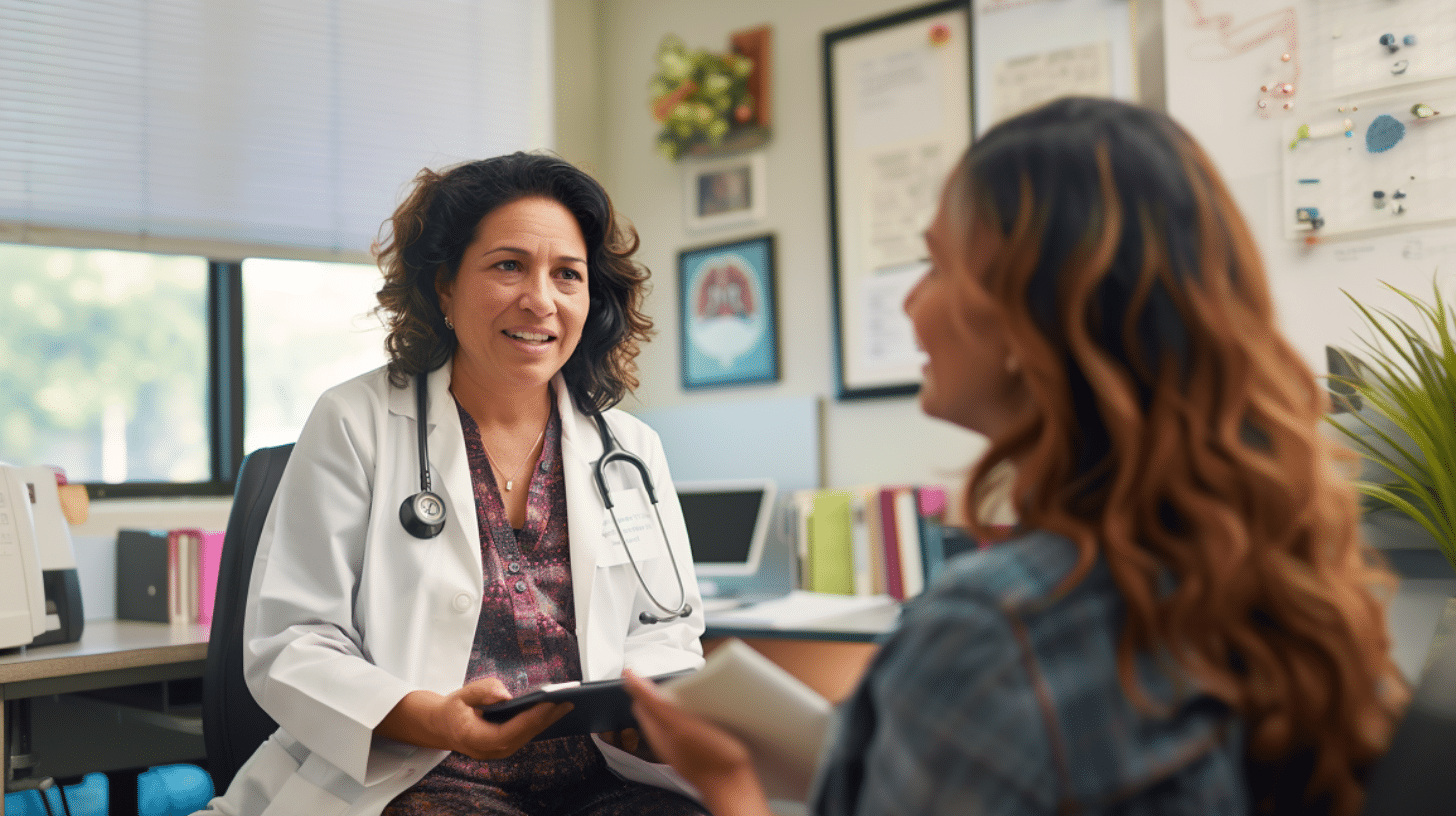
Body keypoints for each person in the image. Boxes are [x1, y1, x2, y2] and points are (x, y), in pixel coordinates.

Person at [626, 97, 1408, 816]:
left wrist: (730, 783)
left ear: (1023, 315)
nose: (907, 302)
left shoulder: (994, 631)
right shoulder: (1287, 571)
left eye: (935, 265)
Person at [203, 152, 707, 816]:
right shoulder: (356, 422)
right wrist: (435, 718)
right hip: (422, 768)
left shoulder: (630, 450)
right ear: (443, 286)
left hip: (602, 774)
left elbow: (666, 626)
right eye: (508, 265)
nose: (541, 299)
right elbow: (293, 642)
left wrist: (645, 706)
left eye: (567, 275)